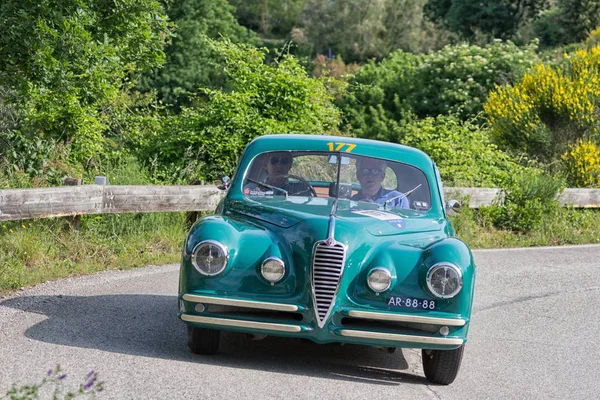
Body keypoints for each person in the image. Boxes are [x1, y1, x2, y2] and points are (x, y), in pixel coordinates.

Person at [244, 152, 312, 196]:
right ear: (265, 165)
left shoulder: (301, 189)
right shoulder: (252, 189)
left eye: (284, 161)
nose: (279, 165)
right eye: (274, 161)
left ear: (289, 166)